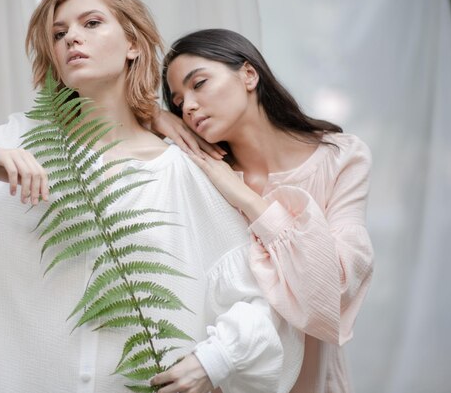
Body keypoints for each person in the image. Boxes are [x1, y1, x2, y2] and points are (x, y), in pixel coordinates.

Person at [0, 0, 304, 393]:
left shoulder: (185, 175)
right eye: (58, 33)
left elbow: (261, 300)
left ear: (132, 43)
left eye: (91, 23)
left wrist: (216, 359)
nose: (71, 37)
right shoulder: (8, 149)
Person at [156, 28, 374, 393]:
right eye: (178, 102)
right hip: (216, 377)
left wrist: (243, 196)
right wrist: (155, 116)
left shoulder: (342, 158)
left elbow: (331, 288)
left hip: (312, 380)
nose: (188, 106)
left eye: (200, 84)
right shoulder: (192, 171)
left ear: (248, 74)